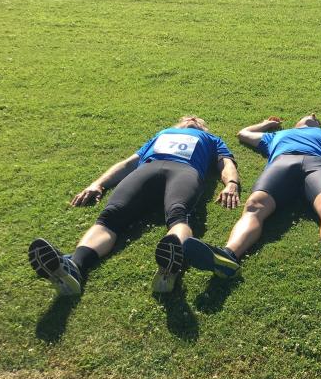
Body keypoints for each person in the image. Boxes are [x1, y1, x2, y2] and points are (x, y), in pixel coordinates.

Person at [28, 116, 240, 295]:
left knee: (176, 214)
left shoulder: (210, 139)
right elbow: (129, 163)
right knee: (111, 217)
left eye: (195, 120)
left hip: (173, 171)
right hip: (156, 170)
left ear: (200, 127)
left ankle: (170, 265)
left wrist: (231, 183)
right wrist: (98, 184)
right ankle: (75, 266)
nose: (192, 120)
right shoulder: (163, 134)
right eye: (189, 119)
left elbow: (226, 162)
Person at [183, 114, 321, 281]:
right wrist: (266, 124)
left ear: (319, 126)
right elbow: (243, 134)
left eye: (316, 118)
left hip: (318, 165)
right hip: (282, 163)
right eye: (309, 115)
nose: (313, 115)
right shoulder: (276, 135)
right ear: (297, 123)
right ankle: (227, 255)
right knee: (255, 205)